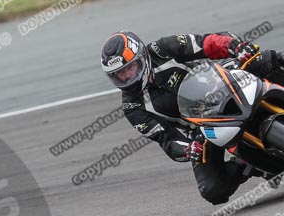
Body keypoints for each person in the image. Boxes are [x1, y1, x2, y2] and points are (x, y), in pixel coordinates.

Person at [100, 31, 284, 204]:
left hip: (222, 83)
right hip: (202, 126)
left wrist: (236, 46)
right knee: (212, 189)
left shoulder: (161, 49)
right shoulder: (133, 107)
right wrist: (188, 149)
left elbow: (206, 42)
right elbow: (166, 139)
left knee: (268, 59)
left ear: (142, 57)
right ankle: (247, 163)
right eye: (120, 74)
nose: (127, 76)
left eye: (130, 68)